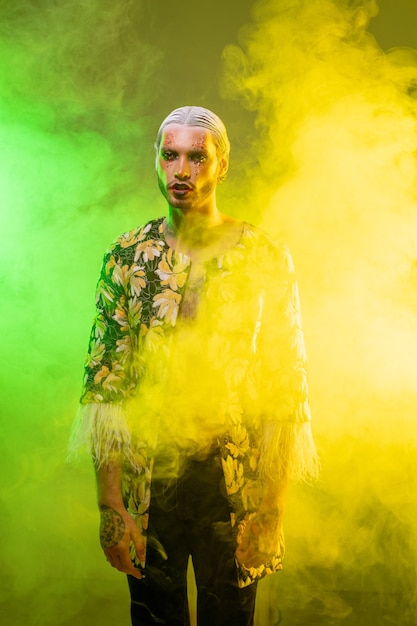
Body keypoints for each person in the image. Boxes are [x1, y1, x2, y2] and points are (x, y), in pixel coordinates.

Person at [69, 105, 319, 626]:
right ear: (157, 161)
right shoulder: (128, 256)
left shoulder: (265, 257)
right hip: (150, 475)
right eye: (171, 155)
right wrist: (110, 506)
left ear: (221, 164)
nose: (182, 171)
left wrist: (272, 505)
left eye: (197, 157)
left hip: (233, 480)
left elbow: (285, 386)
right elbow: (104, 382)